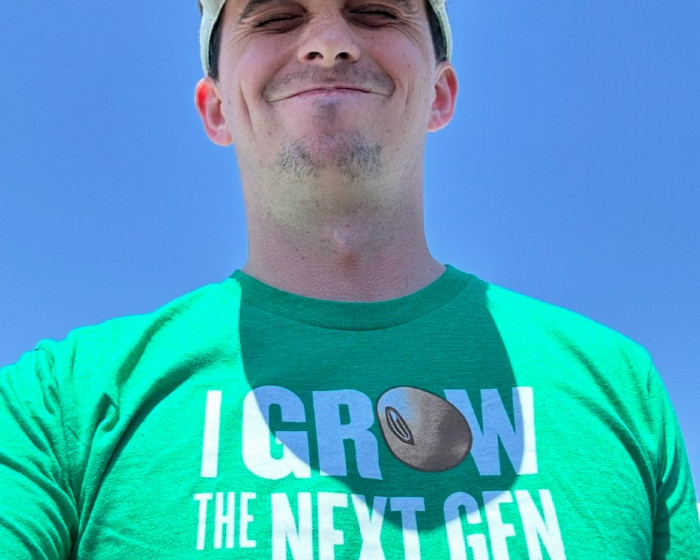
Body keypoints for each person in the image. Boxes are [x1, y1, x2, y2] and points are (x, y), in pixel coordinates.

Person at [1, 0, 698, 557]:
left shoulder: (620, 386)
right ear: (216, 109)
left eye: (375, 11)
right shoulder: (62, 403)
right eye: (277, 16)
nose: (329, 41)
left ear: (440, 94)